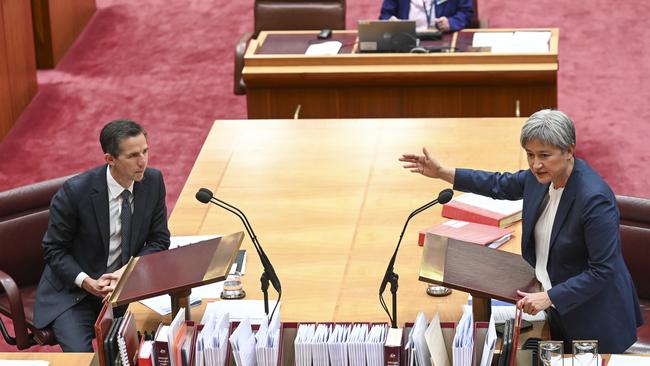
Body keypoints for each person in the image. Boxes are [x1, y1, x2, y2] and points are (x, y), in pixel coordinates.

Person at [399, 109, 643, 353]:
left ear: (569, 150)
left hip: (595, 317)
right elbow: (498, 184)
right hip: (557, 306)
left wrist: (550, 297)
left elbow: (603, 271)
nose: (536, 165)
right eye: (530, 155)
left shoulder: (594, 199)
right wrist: (444, 173)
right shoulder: (539, 179)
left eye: (545, 155)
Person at [33, 119, 171, 352]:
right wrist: (87, 282)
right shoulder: (75, 192)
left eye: (145, 151)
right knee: (83, 358)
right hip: (75, 293)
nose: (142, 162)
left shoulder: (153, 182)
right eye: (133, 155)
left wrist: (126, 272)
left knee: (148, 345)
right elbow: (53, 249)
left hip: (124, 287)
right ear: (110, 159)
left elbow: (159, 240)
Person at [379, 0, 474, 32]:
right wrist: (391, 22)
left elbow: (467, 12)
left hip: (444, 40)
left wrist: (451, 23)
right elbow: (385, 15)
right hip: (406, 42)